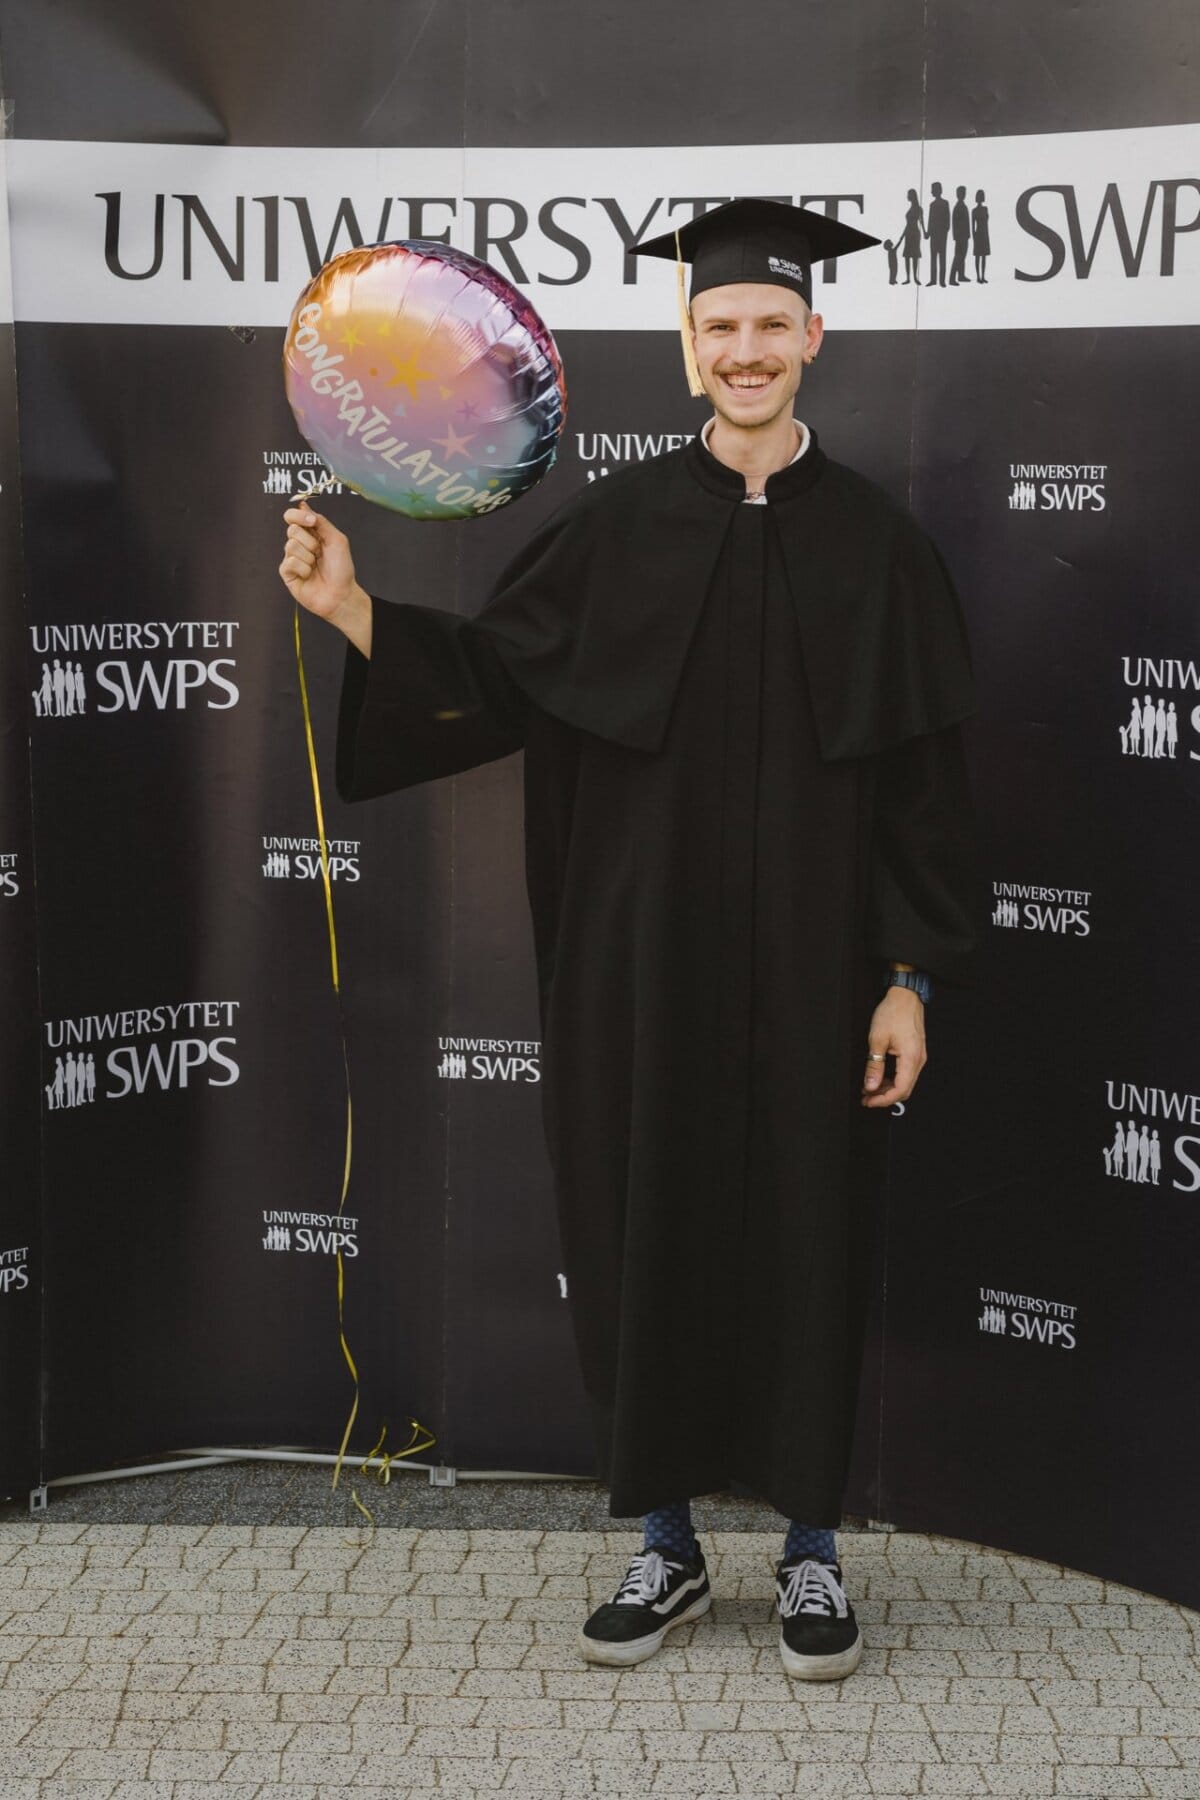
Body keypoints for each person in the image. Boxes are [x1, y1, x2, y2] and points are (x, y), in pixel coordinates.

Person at [278, 197, 984, 1683]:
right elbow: (490, 678)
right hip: (634, 967)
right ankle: (661, 1542)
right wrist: (353, 611)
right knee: (636, 1224)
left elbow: (927, 790)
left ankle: (808, 1551)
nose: (746, 351)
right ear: (687, 347)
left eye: (770, 327)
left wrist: (908, 979)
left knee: (810, 1228)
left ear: (812, 339)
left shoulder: (882, 551)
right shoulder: (610, 531)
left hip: (817, 979)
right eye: (720, 328)